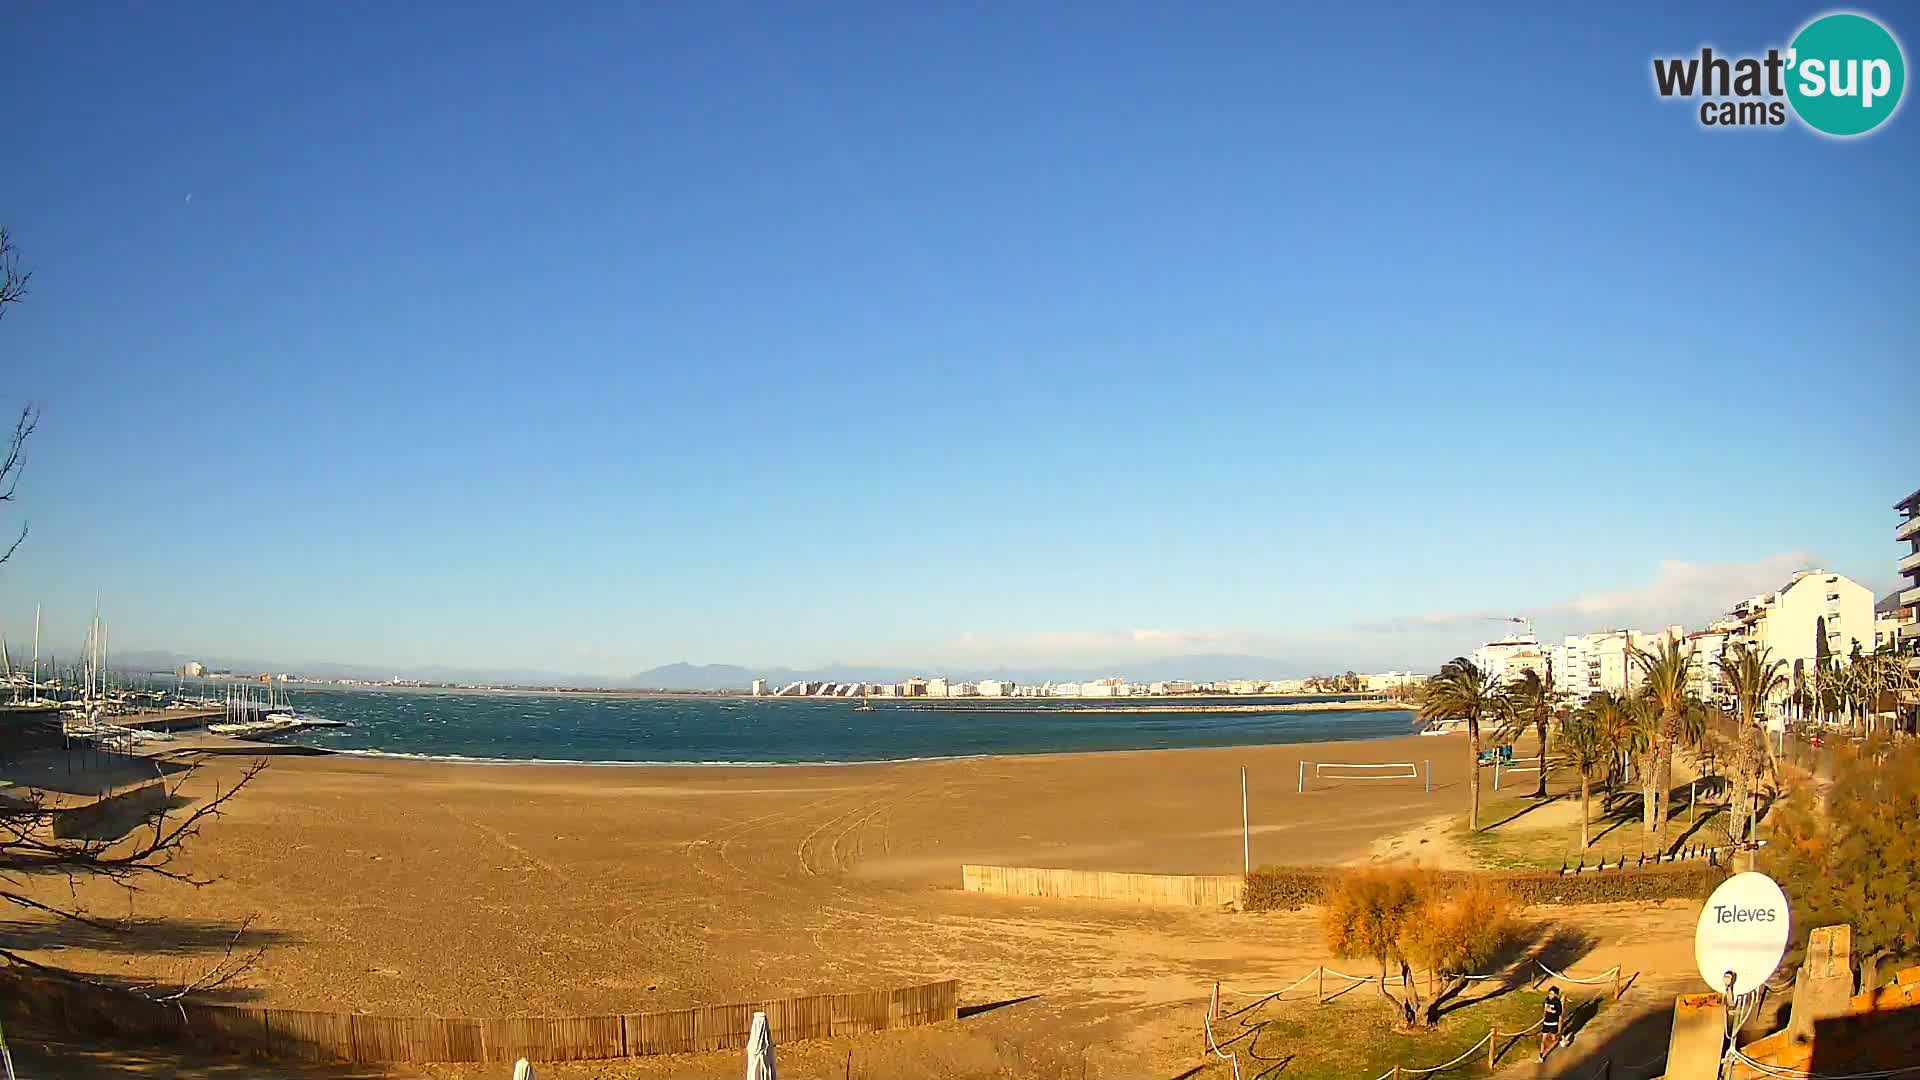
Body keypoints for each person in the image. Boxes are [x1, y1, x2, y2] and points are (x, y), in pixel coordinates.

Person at [1539, 985, 1564, 1061]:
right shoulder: (1547, 1000)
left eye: (1552, 994)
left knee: (1554, 1039)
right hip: (1546, 1022)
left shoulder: (1557, 1002)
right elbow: (1545, 1008)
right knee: (1543, 1040)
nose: (1550, 995)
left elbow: (1560, 1012)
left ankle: (1560, 1039)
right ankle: (1541, 1054)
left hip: (1553, 1023)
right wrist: (1544, 1014)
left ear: (1556, 995)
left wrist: (1553, 1011)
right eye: (1549, 993)